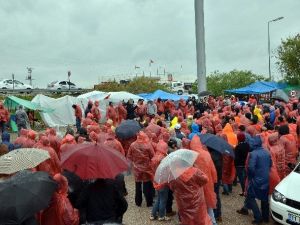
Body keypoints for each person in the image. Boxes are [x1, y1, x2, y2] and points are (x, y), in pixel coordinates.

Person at [237, 136, 272, 224]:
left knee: (250, 196)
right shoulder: (267, 152)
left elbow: (251, 167)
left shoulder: (253, 153)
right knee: (264, 199)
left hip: (256, 179)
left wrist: (250, 177)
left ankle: (258, 217)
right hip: (266, 178)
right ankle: (266, 217)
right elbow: (270, 164)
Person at [127, 131, 155, 207]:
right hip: (147, 168)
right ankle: (149, 202)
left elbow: (129, 156)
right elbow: (153, 156)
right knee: (147, 185)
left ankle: (138, 202)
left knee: (138, 185)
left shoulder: (132, 145)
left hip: (136, 168)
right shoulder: (148, 145)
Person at [150, 140, 171, 221]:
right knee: (163, 200)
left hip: (156, 181)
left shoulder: (155, 157)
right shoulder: (164, 158)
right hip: (163, 182)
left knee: (158, 198)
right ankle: (161, 216)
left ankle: (153, 214)